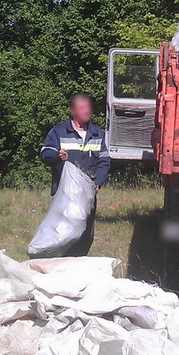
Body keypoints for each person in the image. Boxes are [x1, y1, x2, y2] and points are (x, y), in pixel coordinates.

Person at [38, 93, 111, 256]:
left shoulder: (97, 133)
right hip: (64, 194)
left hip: (88, 194)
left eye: (88, 108)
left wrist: (98, 182)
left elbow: (104, 161)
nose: (86, 111)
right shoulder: (59, 131)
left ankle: (78, 262)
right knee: (63, 233)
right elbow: (44, 153)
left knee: (85, 233)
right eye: (81, 108)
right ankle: (58, 263)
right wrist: (57, 155)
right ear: (73, 111)